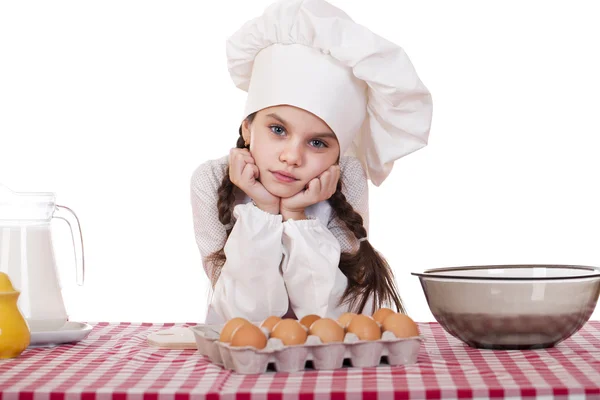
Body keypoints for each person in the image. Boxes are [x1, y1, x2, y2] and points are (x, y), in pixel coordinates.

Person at [191, 0, 433, 325]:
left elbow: (334, 317)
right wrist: (263, 208)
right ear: (247, 128)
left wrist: (295, 214)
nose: (292, 157)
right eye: (278, 130)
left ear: (338, 154)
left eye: (317, 142)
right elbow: (244, 318)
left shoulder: (346, 177)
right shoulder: (210, 179)